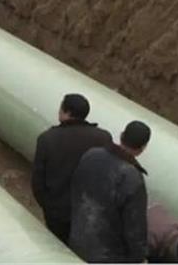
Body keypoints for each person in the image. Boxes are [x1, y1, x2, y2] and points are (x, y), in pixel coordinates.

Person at [31, 94, 112, 244]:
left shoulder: (47, 139)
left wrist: (49, 207)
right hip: (90, 213)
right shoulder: (103, 138)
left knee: (57, 247)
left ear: (67, 112)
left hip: (58, 214)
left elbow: (38, 181)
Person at [69, 120, 152, 263]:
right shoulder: (132, 177)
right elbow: (135, 227)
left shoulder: (91, 155)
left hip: (78, 239)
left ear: (121, 135)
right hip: (109, 254)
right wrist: (139, 257)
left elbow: (75, 191)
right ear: (142, 148)